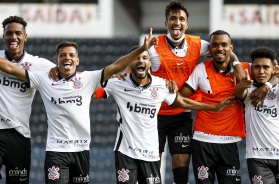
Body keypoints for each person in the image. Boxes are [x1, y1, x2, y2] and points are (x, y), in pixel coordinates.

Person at [0, 28, 158, 183]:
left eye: (71, 55)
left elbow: (116, 66)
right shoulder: (43, 79)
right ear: (56, 60)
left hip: (81, 150)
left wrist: (142, 49)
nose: (67, 58)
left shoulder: (88, 79)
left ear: (77, 60)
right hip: (56, 151)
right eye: (63, 55)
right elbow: (11, 68)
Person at [93, 45, 233, 184]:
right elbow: (94, 93)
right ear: (130, 63)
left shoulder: (161, 85)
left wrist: (213, 108)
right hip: (125, 152)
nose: (140, 61)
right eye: (136, 58)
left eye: (145, 58)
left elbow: (184, 103)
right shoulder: (118, 83)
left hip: (151, 154)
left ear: (149, 63)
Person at [147, 1, 245, 183]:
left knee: (181, 163)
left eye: (181, 19)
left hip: (181, 113)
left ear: (187, 24)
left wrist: (237, 63)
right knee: (154, 162)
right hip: (155, 113)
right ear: (166, 23)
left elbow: (222, 49)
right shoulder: (153, 45)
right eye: (173, 18)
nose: (177, 22)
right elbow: (135, 67)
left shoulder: (197, 43)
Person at [179, 30, 250, 184]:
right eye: (215, 45)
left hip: (229, 143)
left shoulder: (244, 69)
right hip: (203, 141)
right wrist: (211, 107)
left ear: (231, 47)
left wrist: (268, 84)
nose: (219, 48)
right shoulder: (201, 69)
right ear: (209, 49)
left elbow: (269, 70)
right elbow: (179, 98)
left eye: (224, 44)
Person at [0, 15, 56, 183]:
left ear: (25, 36)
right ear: (3, 37)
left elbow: (69, 76)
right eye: (9, 33)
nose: (13, 37)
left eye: (18, 33)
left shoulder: (37, 64)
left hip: (19, 136)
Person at [234, 46, 279, 184]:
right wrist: (236, 63)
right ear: (251, 68)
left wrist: (268, 86)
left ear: (274, 67)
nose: (261, 71)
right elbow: (239, 93)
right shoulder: (247, 87)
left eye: (266, 67)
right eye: (257, 67)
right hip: (257, 157)